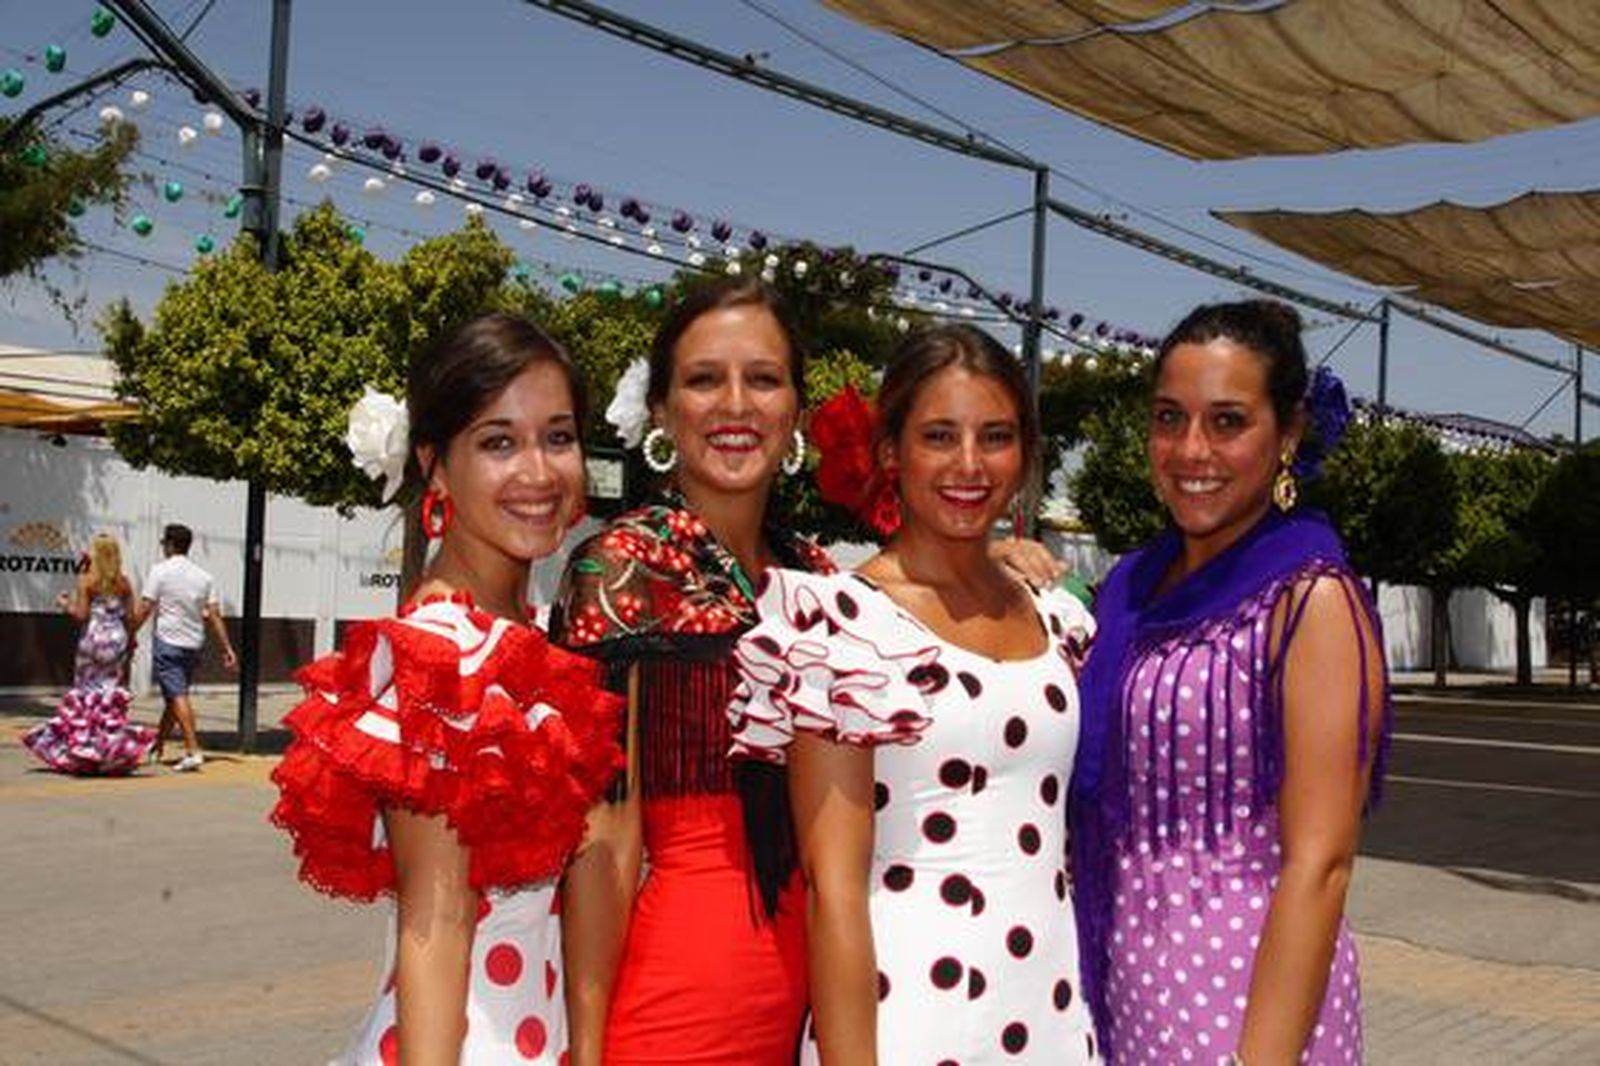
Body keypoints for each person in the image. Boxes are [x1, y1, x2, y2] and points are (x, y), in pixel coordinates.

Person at [727, 323, 1102, 1064]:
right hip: (909, 1017)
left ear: (1025, 452)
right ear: (892, 452)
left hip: (1049, 1009)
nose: (969, 463)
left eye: (995, 436)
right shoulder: (843, 629)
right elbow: (833, 891)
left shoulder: (1054, 615)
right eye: (939, 435)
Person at [270, 312, 623, 1064]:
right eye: (498, 442)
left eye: (557, 437)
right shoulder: (439, 657)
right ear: (434, 465)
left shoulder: (527, 639)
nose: (537, 471)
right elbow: (436, 928)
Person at [1071, 300, 1389, 1066]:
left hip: (1252, 1002)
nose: (1190, 449)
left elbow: (1321, 864)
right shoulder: (1130, 588)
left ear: (1288, 434)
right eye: (1169, 418)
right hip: (1127, 985)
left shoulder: (1308, 599)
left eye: (1227, 422)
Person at [548, 277, 837, 1065]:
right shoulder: (622, 566)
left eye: (765, 378)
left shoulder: (817, 576)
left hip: (814, 996)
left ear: (796, 411)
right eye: (705, 379)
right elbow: (604, 836)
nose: (736, 404)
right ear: (663, 414)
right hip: (672, 996)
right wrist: (587, 1043)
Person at [22, 533, 155, 775]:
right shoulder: (124, 583)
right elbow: (131, 618)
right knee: (107, 695)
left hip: (92, 641)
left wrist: (65, 604)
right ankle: (110, 751)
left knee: (86, 694)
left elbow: (82, 615)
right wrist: (132, 642)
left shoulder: (87, 581)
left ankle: (83, 750)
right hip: (116, 642)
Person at [131, 523, 237, 771]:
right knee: (173, 697)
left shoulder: (160, 571)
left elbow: (146, 607)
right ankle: (158, 745)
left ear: (169, 544)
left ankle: (192, 750)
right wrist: (227, 648)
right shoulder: (204, 577)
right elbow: (214, 615)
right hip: (193, 643)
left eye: (163, 544)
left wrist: (128, 633)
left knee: (178, 695)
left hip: (168, 641)